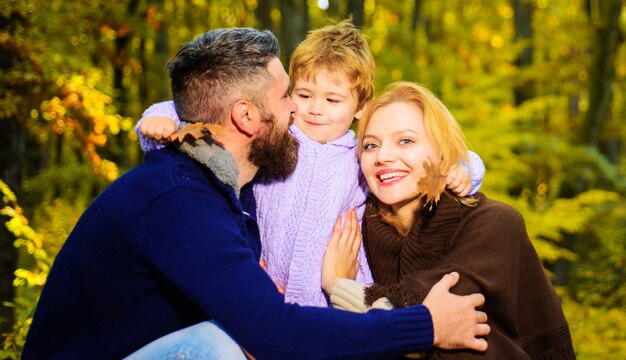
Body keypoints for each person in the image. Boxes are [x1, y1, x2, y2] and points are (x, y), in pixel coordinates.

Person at [22, 29, 491, 359]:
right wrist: (427, 326)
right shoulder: (177, 201)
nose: (301, 112)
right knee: (218, 347)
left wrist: (459, 168)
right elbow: (276, 334)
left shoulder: (226, 185)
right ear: (247, 118)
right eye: (289, 97)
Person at [137, 20, 486, 307]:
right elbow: (206, 107)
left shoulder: (360, 156)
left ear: (361, 106)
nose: (316, 109)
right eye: (304, 96)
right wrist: (160, 118)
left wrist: (461, 172)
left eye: (333, 99)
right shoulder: (279, 139)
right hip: (266, 283)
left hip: (330, 295)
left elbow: (449, 155)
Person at [322, 82, 575, 359]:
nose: (383, 156)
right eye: (371, 145)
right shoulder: (354, 231)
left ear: (443, 153)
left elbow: (426, 316)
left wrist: (338, 286)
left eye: (405, 140)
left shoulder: (494, 223)